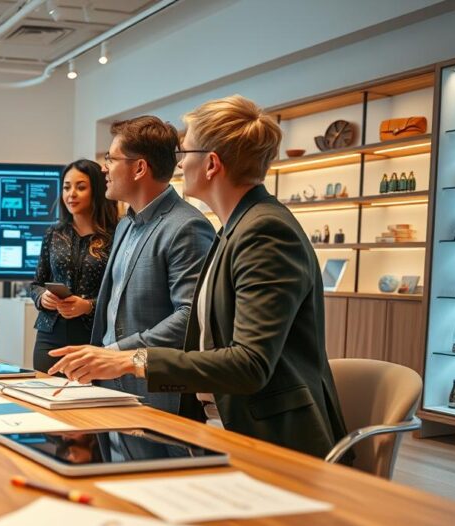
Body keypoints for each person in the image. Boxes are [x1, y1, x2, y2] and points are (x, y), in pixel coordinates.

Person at [49, 96, 351, 460]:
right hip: (225, 427)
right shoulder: (235, 227)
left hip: (271, 442)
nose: (178, 163)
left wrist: (131, 360)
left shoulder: (265, 231)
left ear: (211, 164)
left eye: (186, 151)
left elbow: (249, 364)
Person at [79, 115, 215, 411]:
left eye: (110, 159)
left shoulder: (187, 226)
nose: (104, 168)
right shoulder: (125, 224)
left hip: (157, 393)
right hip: (111, 382)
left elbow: (190, 317)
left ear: (139, 168)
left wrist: (118, 355)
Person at [29, 159, 118, 373]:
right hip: (49, 335)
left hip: (93, 338)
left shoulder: (116, 235)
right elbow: (36, 284)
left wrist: (88, 306)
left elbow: (121, 294)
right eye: (67, 187)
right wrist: (42, 297)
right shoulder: (54, 233)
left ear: (96, 190)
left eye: (81, 187)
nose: (71, 194)